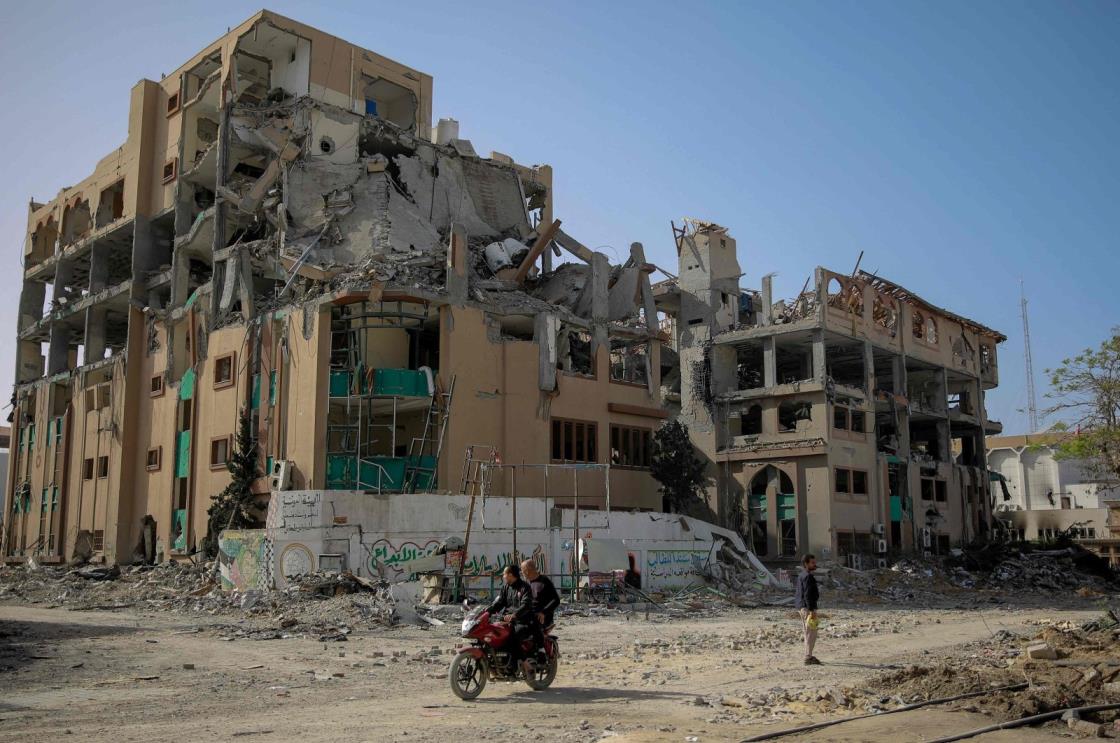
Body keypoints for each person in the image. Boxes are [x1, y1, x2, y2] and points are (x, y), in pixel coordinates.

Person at [486, 564, 535, 667]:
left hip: (522, 620)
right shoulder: (506, 587)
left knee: (512, 636)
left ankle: (524, 662)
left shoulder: (525, 587)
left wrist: (515, 615)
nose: (503, 576)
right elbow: (499, 603)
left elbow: (525, 605)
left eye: (504, 574)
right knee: (493, 633)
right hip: (507, 620)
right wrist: (487, 611)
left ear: (510, 575)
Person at [522, 559, 559, 660]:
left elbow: (556, 600)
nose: (522, 573)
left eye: (523, 570)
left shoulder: (544, 582)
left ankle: (541, 650)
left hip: (543, 617)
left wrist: (543, 613)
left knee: (532, 622)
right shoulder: (526, 584)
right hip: (529, 614)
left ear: (528, 570)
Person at [794, 553, 821, 665]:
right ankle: (808, 657)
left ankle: (808, 655)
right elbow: (807, 594)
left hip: (802, 607)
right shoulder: (808, 577)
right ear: (806, 564)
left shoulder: (802, 575)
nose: (815, 565)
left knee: (808, 632)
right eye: (812, 563)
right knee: (811, 632)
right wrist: (811, 610)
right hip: (807, 608)